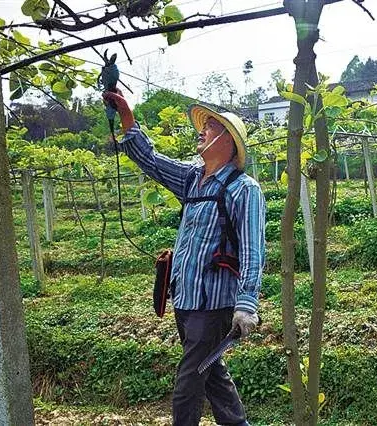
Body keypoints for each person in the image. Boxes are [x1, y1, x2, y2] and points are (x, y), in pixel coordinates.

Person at [103, 90, 265, 426]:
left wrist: (247, 303)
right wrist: (127, 117)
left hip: (214, 303)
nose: (201, 131)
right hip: (186, 299)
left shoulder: (243, 189)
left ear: (228, 140)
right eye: (202, 126)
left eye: (209, 127)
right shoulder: (192, 178)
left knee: (188, 384)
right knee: (212, 373)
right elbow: (152, 160)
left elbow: (253, 250)